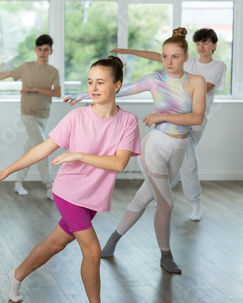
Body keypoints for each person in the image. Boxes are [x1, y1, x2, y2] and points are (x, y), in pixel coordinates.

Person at [0, 56, 141, 303]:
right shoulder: (77, 117)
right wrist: (8, 171)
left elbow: (119, 163)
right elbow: (43, 149)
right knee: (92, 251)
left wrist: (78, 154)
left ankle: (16, 274)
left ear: (117, 85)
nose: (93, 88)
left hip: (94, 196)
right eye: (90, 82)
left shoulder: (128, 121)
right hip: (69, 191)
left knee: (55, 244)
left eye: (100, 82)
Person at [69, 28, 206, 274]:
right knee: (166, 205)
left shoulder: (197, 82)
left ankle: (112, 240)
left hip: (180, 148)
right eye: (164, 56)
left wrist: (162, 115)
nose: (169, 62)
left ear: (186, 57)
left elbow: (197, 117)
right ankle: (166, 255)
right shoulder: (155, 79)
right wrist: (83, 95)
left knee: (144, 198)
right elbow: (117, 88)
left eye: (175, 57)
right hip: (155, 147)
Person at [109, 28, 226, 221]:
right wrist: (129, 51)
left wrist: (167, 88)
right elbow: (158, 56)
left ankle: (194, 203)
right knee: (181, 162)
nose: (202, 47)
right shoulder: (190, 61)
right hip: (173, 121)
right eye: (198, 43)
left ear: (214, 46)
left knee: (187, 163)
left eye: (206, 43)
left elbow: (198, 90)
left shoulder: (217, 66)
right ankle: (164, 196)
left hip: (194, 121)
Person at [0, 34, 60, 200]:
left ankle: (18, 182)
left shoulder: (53, 72)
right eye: (40, 49)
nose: (43, 52)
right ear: (36, 50)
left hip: (44, 114)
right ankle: (50, 186)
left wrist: (34, 90)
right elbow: (3, 75)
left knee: (30, 148)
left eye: (46, 50)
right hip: (28, 114)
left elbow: (57, 92)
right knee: (42, 149)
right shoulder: (26, 67)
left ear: (51, 51)